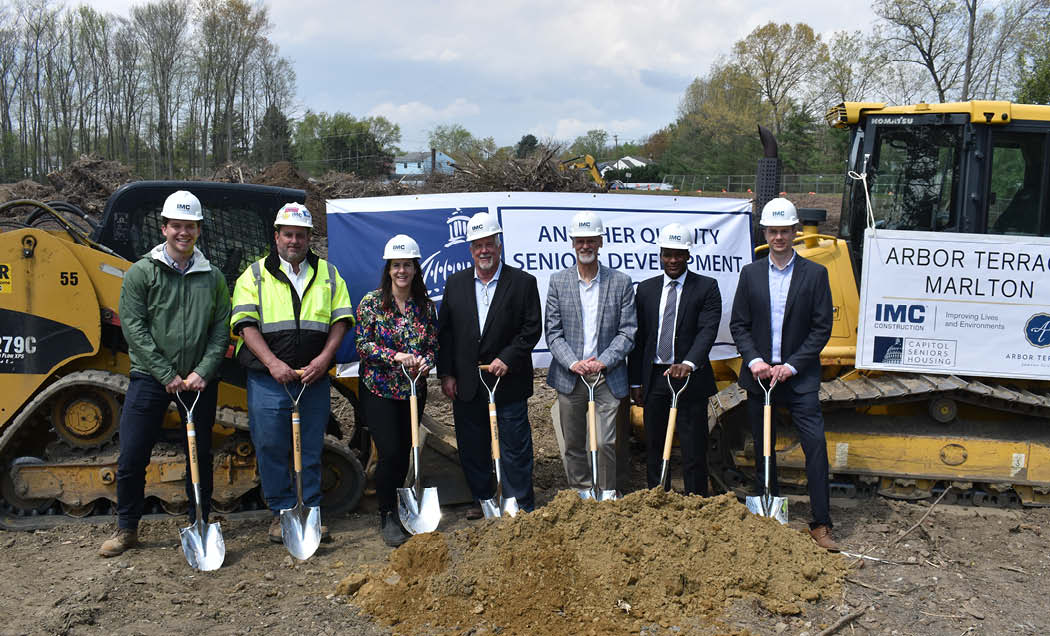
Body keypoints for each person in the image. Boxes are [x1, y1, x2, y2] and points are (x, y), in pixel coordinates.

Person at [100, 190, 231, 557]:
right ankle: (127, 528)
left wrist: (203, 370)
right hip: (150, 379)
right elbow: (133, 329)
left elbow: (221, 329)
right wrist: (165, 373)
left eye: (189, 226)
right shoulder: (142, 272)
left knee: (198, 455)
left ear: (199, 230)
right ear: (164, 228)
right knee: (132, 456)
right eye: (176, 225)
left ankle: (199, 520)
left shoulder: (213, 277)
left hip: (199, 381)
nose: (183, 233)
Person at [230, 202, 354, 544]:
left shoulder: (328, 274)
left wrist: (324, 360)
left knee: (311, 446)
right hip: (268, 379)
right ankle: (283, 513)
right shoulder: (253, 275)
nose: (294, 241)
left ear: (309, 237)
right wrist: (272, 363)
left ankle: (311, 512)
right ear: (277, 236)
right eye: (288, 234)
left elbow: (341, 321)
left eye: (300, 235)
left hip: (312, 378)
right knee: (270, 445)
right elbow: (245, 325)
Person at [729, 197, 838, 550]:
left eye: (785, 231)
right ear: (765, 233)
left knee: (816, 447)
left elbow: (821, 329)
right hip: (761, 379)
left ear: (794, 233)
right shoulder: (751, 274)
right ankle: (769, 517)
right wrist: (754, 360)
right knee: (764, 448)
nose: (779, 237)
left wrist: (792, 365)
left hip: (799, 378)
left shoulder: (815, 275)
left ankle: (821, 523)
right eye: (773, 231)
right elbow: (739, 324)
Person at [437, 212, 542, 517]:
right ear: (470, 250)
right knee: (473, 445)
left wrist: (506, 358)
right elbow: (446, 332)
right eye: (478, 245)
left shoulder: (522, 283)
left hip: (508, 382)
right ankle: (484, 498)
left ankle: (519, 502)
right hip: (468, 383)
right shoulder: (456, 284)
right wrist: (447, 373)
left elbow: (531, 328)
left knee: (515, 447)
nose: (484, 250)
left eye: (489, 244)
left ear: (499, 246)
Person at [355, 234, 438, 546]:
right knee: (389, 452)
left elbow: (433, 346)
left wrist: (426, 362)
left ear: (415, 269)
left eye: (407, 265)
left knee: (405, 452)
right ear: (388, 269)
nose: (401, 270)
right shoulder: (372, 303)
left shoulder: (425, 307)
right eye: (396, 265)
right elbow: (362, 345)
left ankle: (405, 506)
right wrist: (395, 357)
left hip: (414, 391)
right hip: (380, 391)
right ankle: (386, 513)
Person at [545, 211, 636, 495]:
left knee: (607, 442)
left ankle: (607, 493)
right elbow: (553, 332)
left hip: (607, 376)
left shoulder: (620, 282)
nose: (585, 246)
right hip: (570, 376)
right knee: (573, 443)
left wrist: (603, 362)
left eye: (591, 241)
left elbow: (628, 331)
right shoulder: (558, 282)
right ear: (572, 243)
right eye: (580, 240)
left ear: (600, 243)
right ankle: (581, 492)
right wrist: (573, 362)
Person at [628, 222, 722, 496]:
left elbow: (707, 330)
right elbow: (640, 339)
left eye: (679, 254)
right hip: (656, 378)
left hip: (690, 379)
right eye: (668, 254)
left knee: (693, 447)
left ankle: (696, 503)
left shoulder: (706, 287)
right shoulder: (646, 290)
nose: (673, 260)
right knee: (655, 445)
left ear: (688, 255)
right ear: (660, 253)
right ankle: (658, 500)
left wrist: (689, 363)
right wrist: (636, 381)